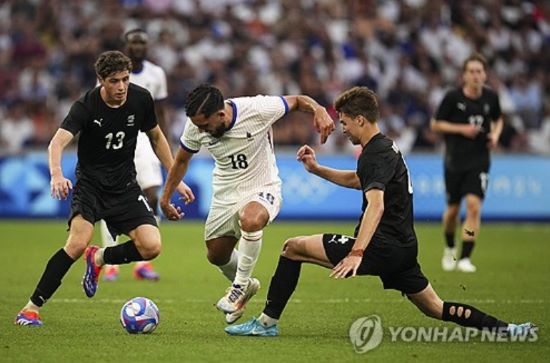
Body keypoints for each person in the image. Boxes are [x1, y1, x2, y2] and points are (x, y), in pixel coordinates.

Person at [224, 86, 534, 337]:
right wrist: (317, 170)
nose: (342, 129)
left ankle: (266, 324)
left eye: (344, 122)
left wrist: (357, 251)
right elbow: (360, 181)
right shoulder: (385, 148)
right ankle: (507, 329)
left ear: (360, 119)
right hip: (402, 248)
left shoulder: (374, 153)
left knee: (292, 248)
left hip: (379, 247)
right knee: (435, 307)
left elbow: (376, 204)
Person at [14, 50, 193, 326]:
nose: (121, 87)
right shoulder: (85, 106)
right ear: (101, 80)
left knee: (151, 246)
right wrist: (57, 174)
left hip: (124, 187)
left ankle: (99, 258)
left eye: (125, 79)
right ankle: (31, 308)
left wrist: (175, 178)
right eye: (114, 81)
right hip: (91, 187)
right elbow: (57, 143)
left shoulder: (141, 98)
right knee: (75, 244)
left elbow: (157, 138)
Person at [160, 84, 334, 324]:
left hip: (263, 186)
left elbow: (297, 100)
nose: (202, 131)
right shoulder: (195, 126)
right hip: (225, 192)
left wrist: (319, 109)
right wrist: (165, 196)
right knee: (216, 255)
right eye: (198, 126)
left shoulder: (256, 108)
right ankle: (248, 285)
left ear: (221, 114)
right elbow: (181, 160)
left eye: (205, 125)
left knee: (251, 219)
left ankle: (239, 286)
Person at [100, 29, 170, 282]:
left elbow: (160, 113)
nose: (139, 46)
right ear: (126, 46)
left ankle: (142, 263)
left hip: (145, 138)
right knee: (111, 199)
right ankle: (110, 263)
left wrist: (165, 143)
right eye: (134, 42)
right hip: (118, 139)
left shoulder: (156, 74)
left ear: (147, 46)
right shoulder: (110, 74)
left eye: (142, 42)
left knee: (152, 195)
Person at [431, 53, 503, 272]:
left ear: (485, 74)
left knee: (473, 207)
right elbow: (435, 125)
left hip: (480, 160)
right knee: (452, 211)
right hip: (454, 161)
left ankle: (465, 257)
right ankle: (450, 247)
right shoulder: (453, 97)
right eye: (471, 71)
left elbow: (498, 119)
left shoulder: (491, 97)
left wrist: (496, 135)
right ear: (464, 75)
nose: (475, 75)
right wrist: (462, 129)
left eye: (479, 71)